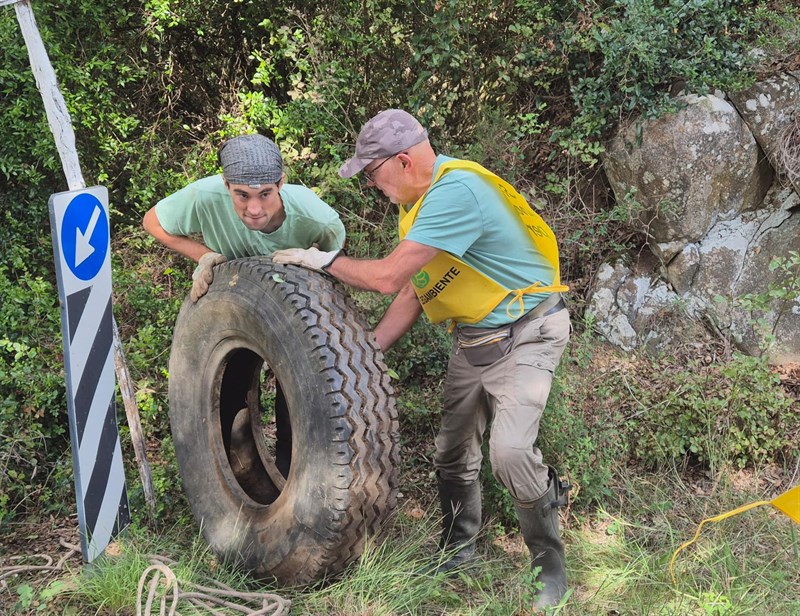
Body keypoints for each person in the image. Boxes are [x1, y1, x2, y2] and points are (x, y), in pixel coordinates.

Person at [272, 109, 572, 609]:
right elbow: (413, 291)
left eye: (373, 173)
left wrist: (320, 260)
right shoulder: (418, 205)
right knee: (453, 452)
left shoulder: (456, 194)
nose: (372, 185)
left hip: (527, 333)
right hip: (474, 341)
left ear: (405, 161)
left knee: (511, 452)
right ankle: (458, 550)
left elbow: (388, 277)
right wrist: (360, 356)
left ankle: (549, 565)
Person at [144, 133, 346, 478]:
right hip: (235, 303)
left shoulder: (314, 216)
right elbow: (153, 222)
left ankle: (293, 479)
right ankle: (239, 479)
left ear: (281, 184)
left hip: (292, 307)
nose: (254, 208)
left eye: (265, 194)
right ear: (226, 186)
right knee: (230, 383)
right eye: (242, 195)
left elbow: (334, 258)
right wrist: (204, 254)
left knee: (296, 393)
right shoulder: (205, 196)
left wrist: (313, 263)